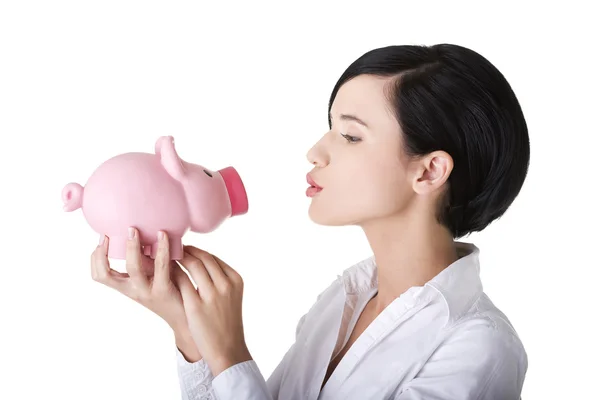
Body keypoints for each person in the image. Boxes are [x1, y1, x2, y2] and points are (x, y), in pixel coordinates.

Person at [91, 43, 530, 399]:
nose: (316, 152)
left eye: (350, 135)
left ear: (429, 171)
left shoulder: (479, 349)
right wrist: (192, 335)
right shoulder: (344, 299)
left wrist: (229, 355)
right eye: (330, 127)